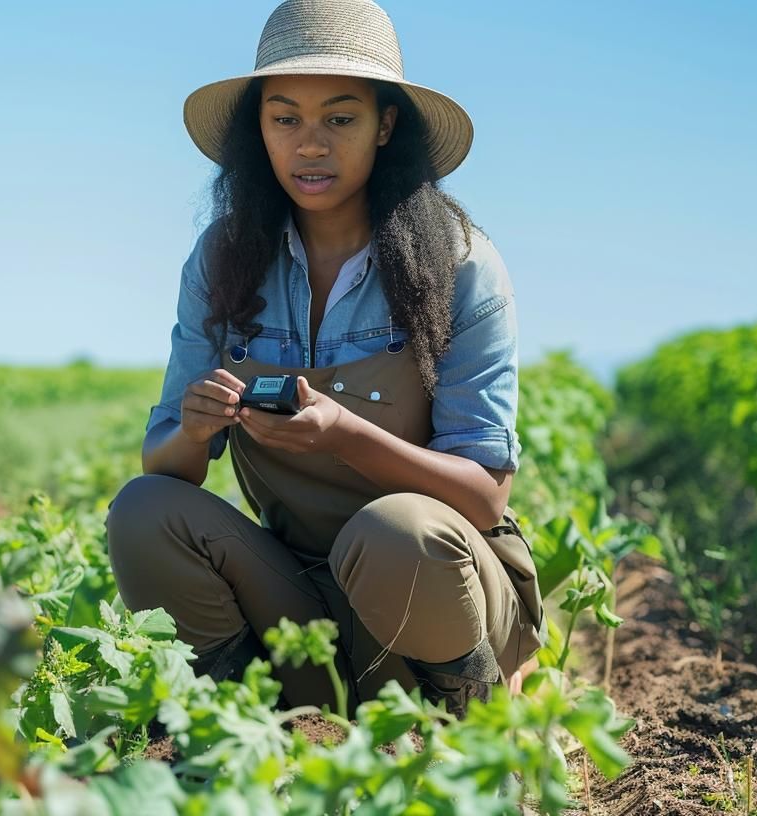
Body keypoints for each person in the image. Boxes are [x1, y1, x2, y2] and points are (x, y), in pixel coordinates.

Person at [105, 0, 546, 720]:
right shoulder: (222, 259)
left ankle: (469, 724)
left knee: (397, 530)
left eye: (339, 119)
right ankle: (249, 722)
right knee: (143, 510)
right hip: (300, 598)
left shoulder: (461, 266)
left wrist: (344, 433)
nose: (311, 145)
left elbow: (483, 495)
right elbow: (170, 467)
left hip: (435, 596)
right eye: (286, 118)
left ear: (386, 125)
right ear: (261, 129)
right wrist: (193, 428)